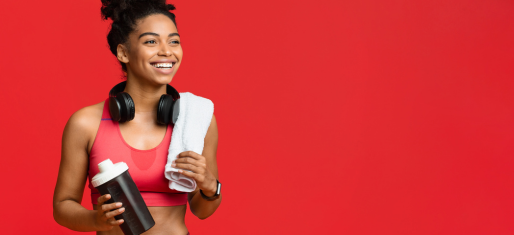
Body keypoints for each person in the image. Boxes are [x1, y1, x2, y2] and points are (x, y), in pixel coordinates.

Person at [52, 1, 221, 234]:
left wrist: (210, 187)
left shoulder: (196, 120)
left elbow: (202, 211)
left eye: (174, 41)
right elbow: (62, 206)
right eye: (151, 41)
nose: (167, 51)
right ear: (123, 52)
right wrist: (96, 220)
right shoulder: (86, 123)